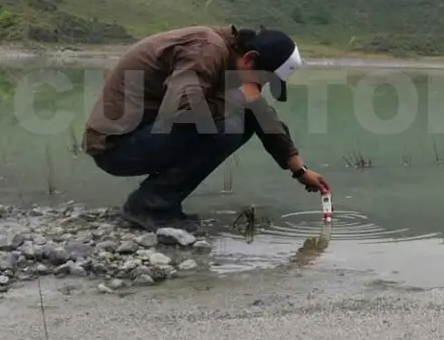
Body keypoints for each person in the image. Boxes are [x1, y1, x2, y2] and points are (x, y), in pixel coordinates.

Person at [82, 24, 330, 232]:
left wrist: (299, 169)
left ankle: (156, 202)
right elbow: (179, 109)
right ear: (250, 58)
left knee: (245, 114)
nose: (260, 88)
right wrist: (241, 100)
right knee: (231, 124)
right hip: (116, 146)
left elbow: (261, 113)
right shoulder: (207, 51)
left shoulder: (229, 57)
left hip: (142, 136)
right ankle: (149, 206)